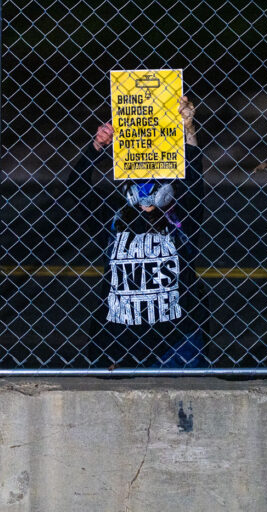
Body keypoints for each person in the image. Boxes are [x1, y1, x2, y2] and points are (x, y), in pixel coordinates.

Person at [66, 96, 209, 368]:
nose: (147, 186)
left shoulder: (181, 220)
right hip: (118, 344)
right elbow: (77, 188)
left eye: (155, 178)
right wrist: (96, 146)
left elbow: (194, 176)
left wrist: (188, 129)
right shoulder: (113, 221)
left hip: (175, 343)